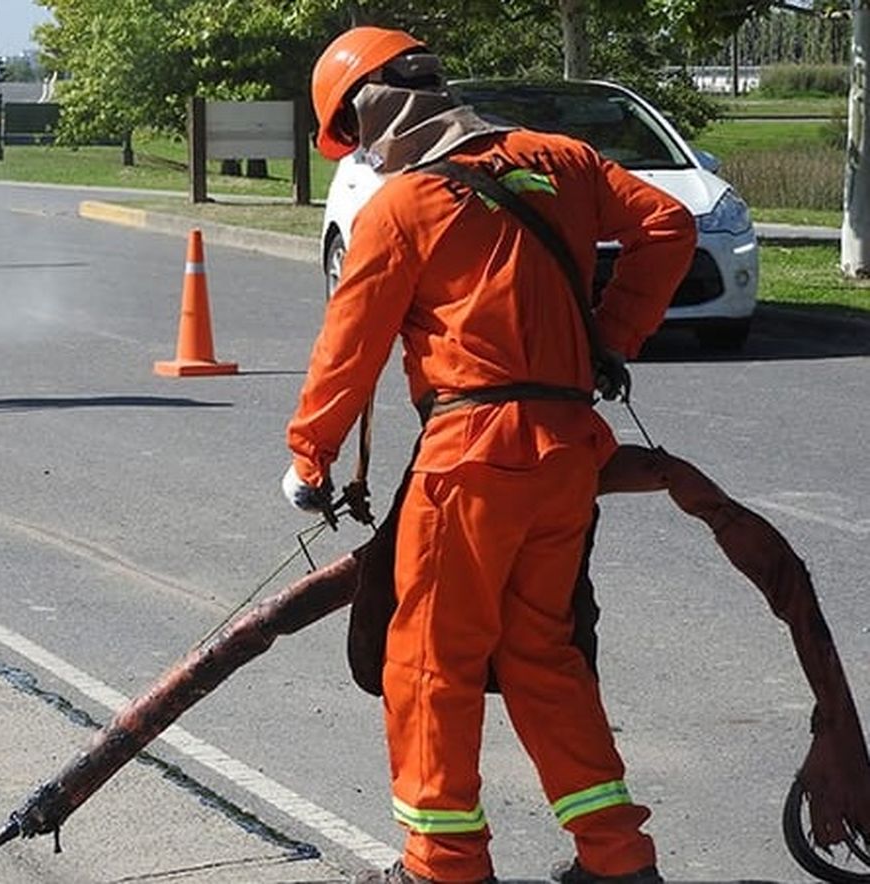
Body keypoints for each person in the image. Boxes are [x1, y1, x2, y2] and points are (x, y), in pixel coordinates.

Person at [281, 26, 697, 884]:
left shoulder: (403, 207)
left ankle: (441, 866)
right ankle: (617, 859)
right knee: (541, 652)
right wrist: (610, 338)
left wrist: (311, 457)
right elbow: (668, 222)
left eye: (352, 138)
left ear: (369, 113)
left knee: (433, 658)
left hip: (472, 458)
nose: (359, 156)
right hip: (567, 452)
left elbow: (348, 347)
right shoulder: (562, 159)